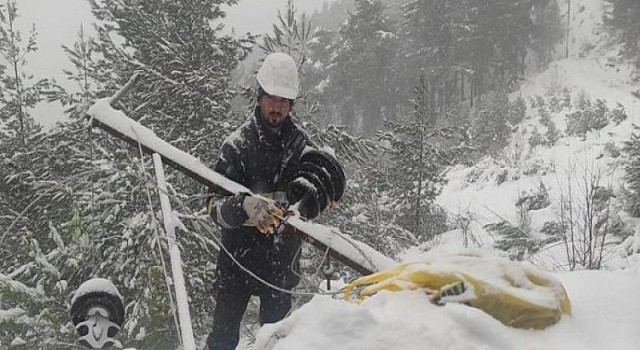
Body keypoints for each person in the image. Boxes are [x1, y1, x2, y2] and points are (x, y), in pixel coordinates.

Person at [205, 52, 343, 350]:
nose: (276, 107)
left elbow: (310, 198)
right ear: (259, 97)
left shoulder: (301, 148)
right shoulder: (237, 146)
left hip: (280, 264)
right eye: (271, 98)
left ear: (291, 104)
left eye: (283, 101)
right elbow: (212, 206)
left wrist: (315, 200)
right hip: (236, 262)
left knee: (277, 344)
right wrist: (241, 207)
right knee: (222, 341)